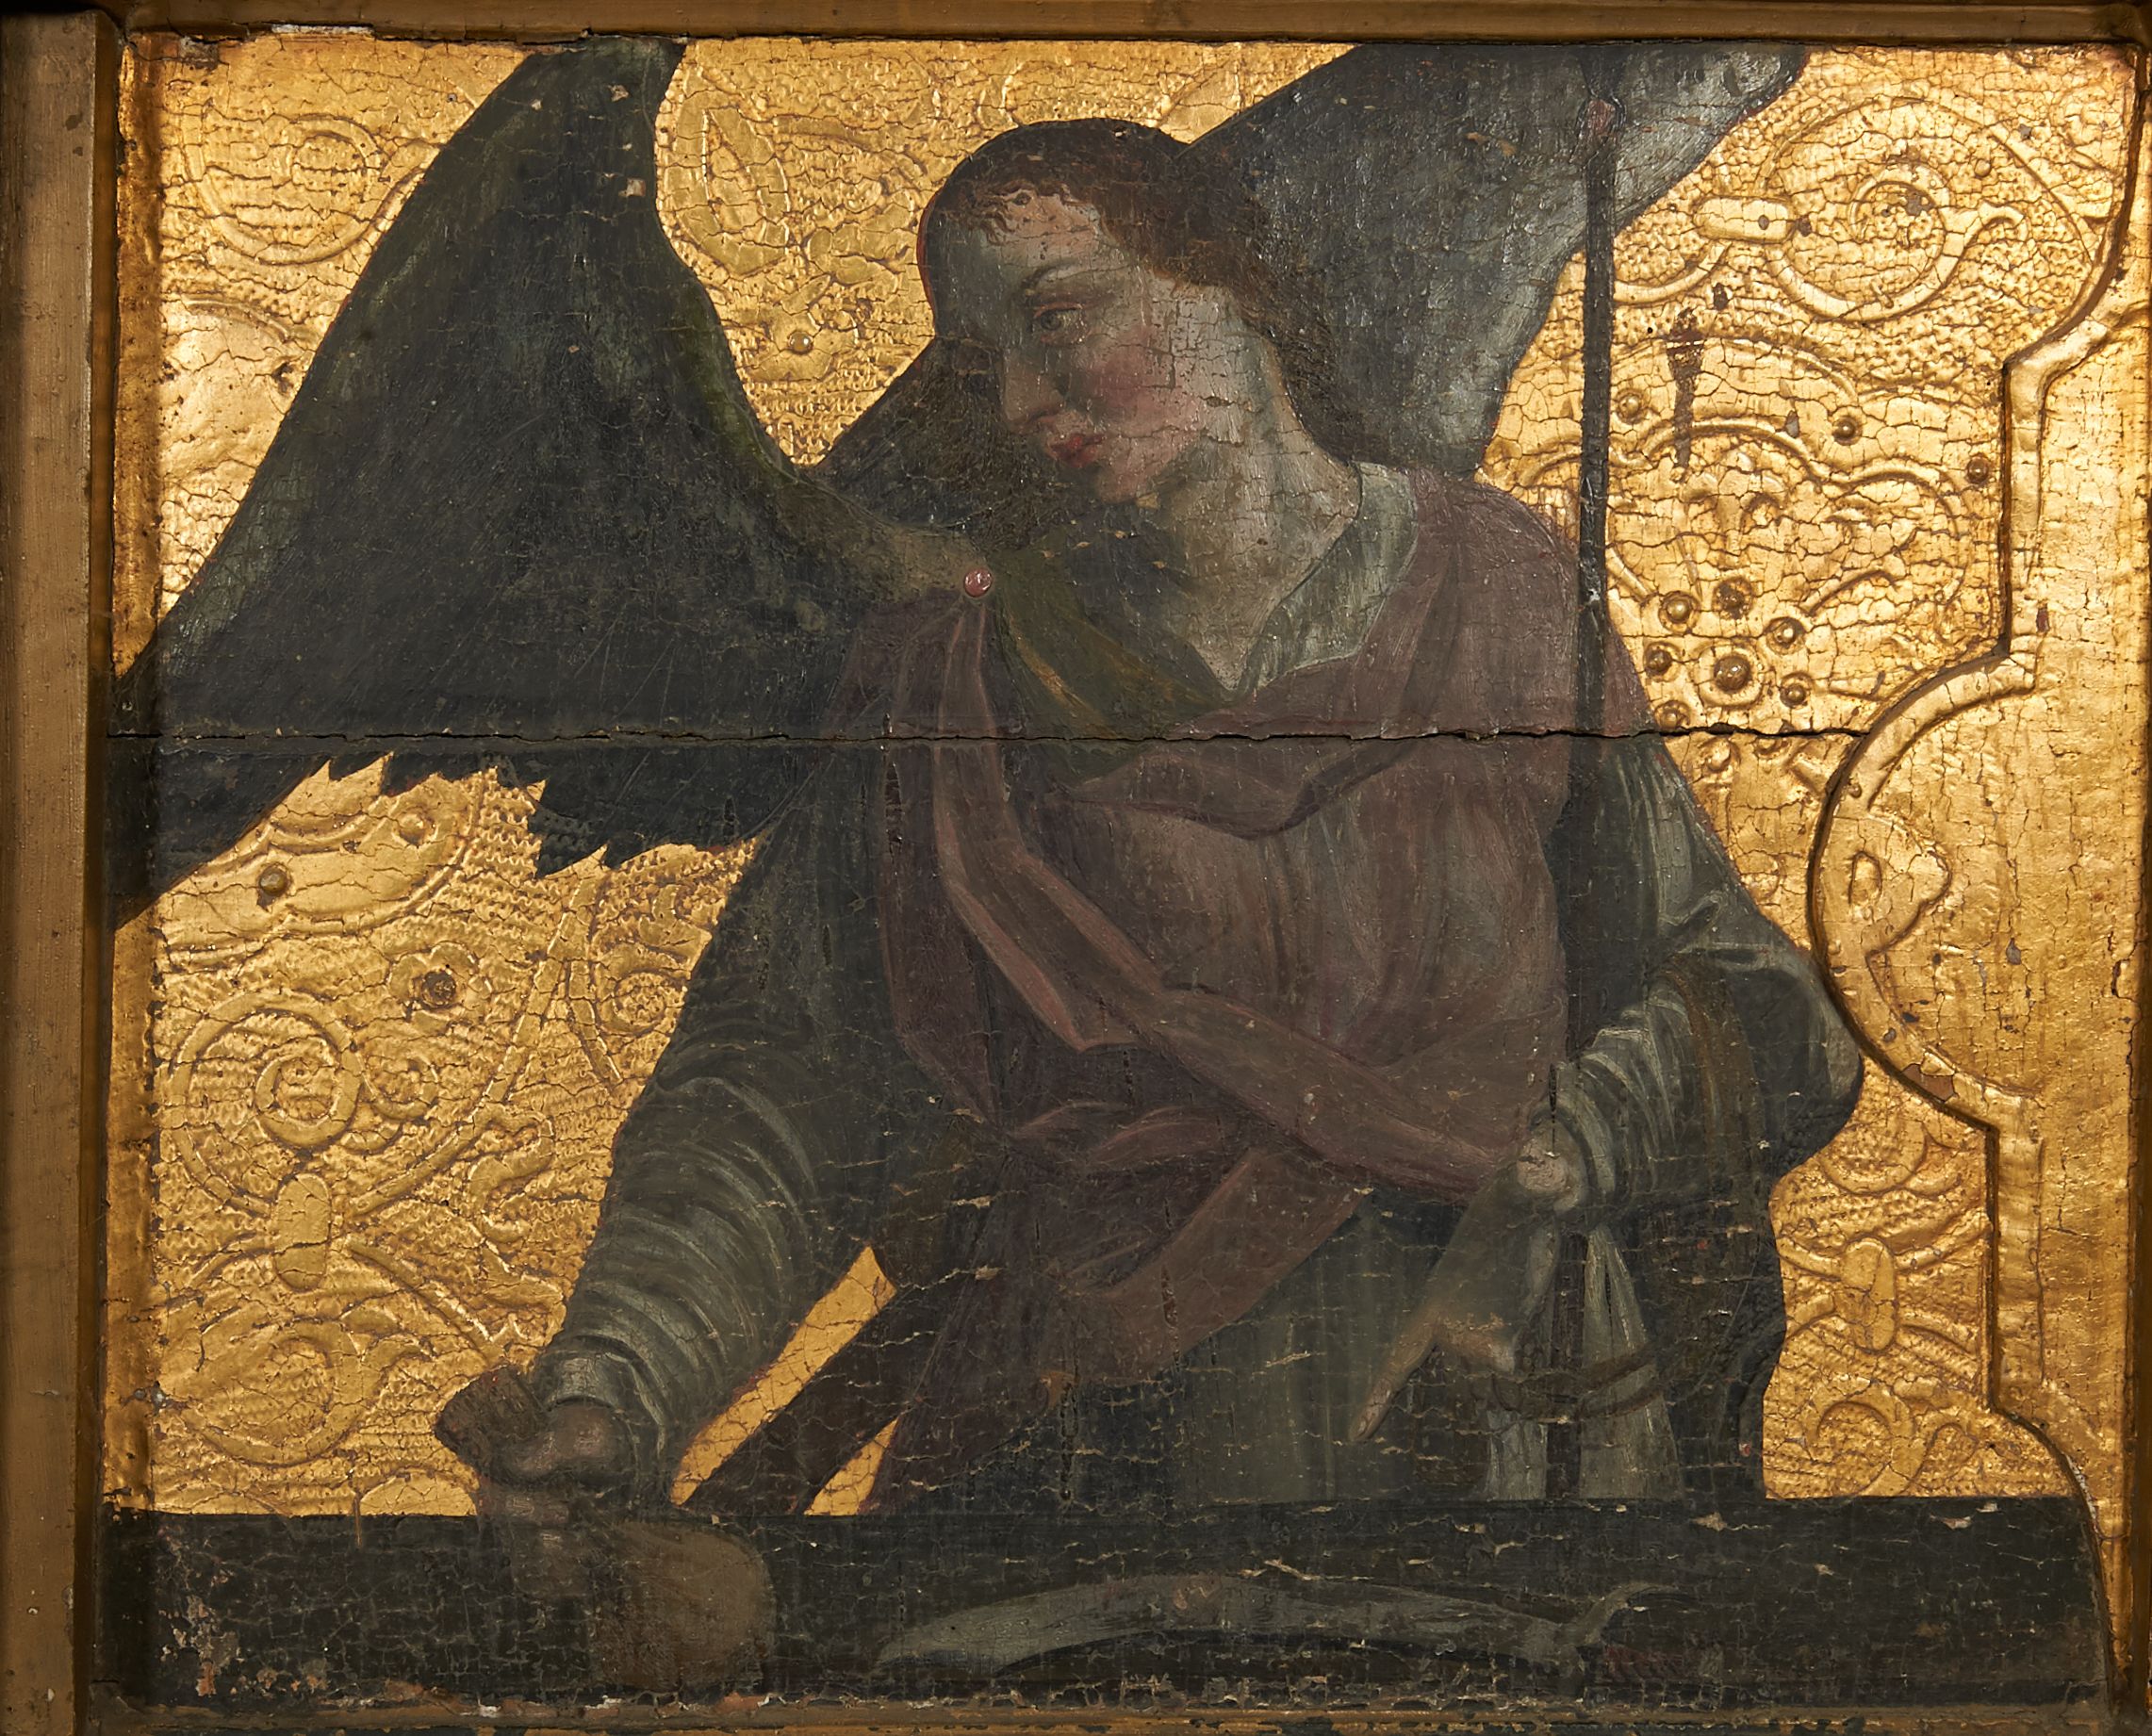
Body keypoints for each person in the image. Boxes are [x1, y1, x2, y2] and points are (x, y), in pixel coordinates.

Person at [460, 120, 1861, 1519]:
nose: (1022, 400)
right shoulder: (959, 682)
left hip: (1482, 1428)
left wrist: (1582, 1140)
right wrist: (613, 1387)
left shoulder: (1499, 593)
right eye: (983, 363)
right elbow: (776, 1084)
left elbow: (1756, 1005)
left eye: (1057, 318)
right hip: (1088, 1450)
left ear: (1230, 283)